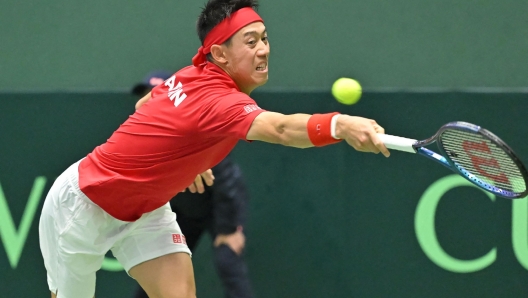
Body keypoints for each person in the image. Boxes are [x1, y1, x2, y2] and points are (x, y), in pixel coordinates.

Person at [38, 0, 390, 297]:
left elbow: (146, 104)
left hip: (146, 211)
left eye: (264, 39)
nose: (263, 49)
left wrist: (184, 157)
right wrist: (340, 125)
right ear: (219, 53)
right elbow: (281, 129)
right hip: (83, 204)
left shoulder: (191, 74)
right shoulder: (219, 100)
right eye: (250, 42)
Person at [131, 72, 254, 298]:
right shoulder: (144, 136)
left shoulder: (194, 128)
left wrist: (228, 228)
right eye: (145, 94)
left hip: (219, 209)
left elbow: (225, 178)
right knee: (159, 265)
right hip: (184, 211)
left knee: (228, 259)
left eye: (155, 93)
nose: (149, 98)